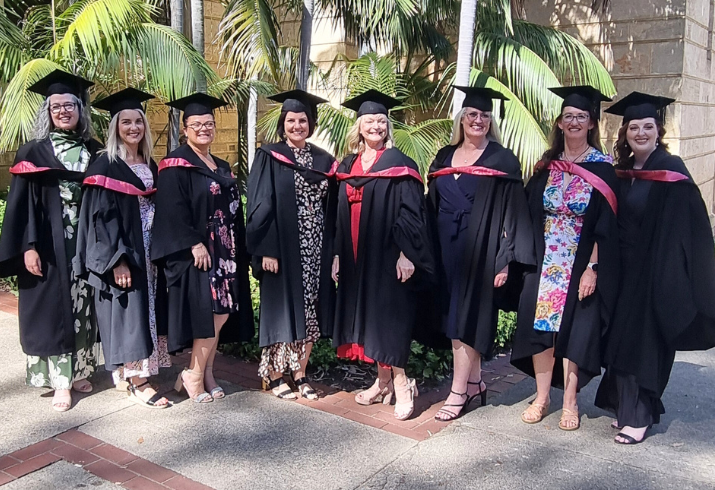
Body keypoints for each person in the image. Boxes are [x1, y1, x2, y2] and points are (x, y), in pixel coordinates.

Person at [594, 92, 715, 444]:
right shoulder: (625, 172)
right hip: (626, 269)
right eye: (634, 127)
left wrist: (672, 270)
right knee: (622, 339)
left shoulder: (672, 169)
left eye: (648, 126)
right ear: (625, 132)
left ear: (658, 130)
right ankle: (625, 407)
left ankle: (641, 416)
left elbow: (689, 225)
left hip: (656, 270)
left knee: (645, 342)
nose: (641, 132)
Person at [511, 86, 619, 431]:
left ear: (591, 124)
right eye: (568, 116)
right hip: (545, 263)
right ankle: (542, 397)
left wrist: (593, 268)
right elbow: (527, 209)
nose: (574, 122)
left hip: (580, 262)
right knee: (541, 329)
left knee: (576, 332)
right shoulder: (548, 165)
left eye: (581, 117)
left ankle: (570, 402)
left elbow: (608, 224)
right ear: (559, 123)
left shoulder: (603, 168)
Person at [426, 87, 536, 421]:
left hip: (481, 253)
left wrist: (504, 258)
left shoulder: (502, 160)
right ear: (462, 118)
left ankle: (457, 392)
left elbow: (513, 214)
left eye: (485, 115)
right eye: (473, 114)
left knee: (465, 320)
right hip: (445, 251)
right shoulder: (444, 156)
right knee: (454, 318)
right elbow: (431, 205)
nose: (479, 120)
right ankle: (474, 383)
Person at [0, 70, 102, 412]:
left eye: (69, 105)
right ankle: (60, 382)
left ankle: (79, 372)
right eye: (56, 106)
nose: (63, 111)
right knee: (54, 308)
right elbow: (22, 204)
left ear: (80, 110)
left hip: (87, 241)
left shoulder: (94, 149)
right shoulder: (34, 151)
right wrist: (27, 246)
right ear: (47, 112)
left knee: (84, 304)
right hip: (49, 242)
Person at [331, 90, 434, 421]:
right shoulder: (348, 165)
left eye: (381, 121)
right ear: (359, 127)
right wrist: (336, 255)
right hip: (354, 252)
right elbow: (336, 212)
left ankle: (403, 384)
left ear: (388, 126)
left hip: (388, 253)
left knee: (388, 319)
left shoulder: (400, 164)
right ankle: (383, 382)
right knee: (369, 318)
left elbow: (412, 212)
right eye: (369, 121)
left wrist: (407, 253)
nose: (375, 126)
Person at [151, 93, 253, 403]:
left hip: (226, 250)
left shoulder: (221, 165)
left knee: (221, 312)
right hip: (200, 252)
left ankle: (206, 373)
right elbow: (170, 208)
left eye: (209, 124)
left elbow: (234, 208)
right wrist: (192, 242)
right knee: (211, 313)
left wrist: (241, 247)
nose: (204, 129)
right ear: (185, 129)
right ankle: (194, 374)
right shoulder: (175, 164)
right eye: (197, 125)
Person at [74, 88, 171, 409]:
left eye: (138, 122)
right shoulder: (105, 164)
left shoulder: (149, 162)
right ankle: (137, 380)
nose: (133, 128)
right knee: (128, 311)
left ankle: (132, 372)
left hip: (150, 251)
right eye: (126, 122)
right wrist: (117, 261)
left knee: (148, 310)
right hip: (126, 253)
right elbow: (101, 220)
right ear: (115, 126)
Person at [246, 90, 338, 400]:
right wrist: (265, 248)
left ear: (311, 124)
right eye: (291, 120)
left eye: (303, 120)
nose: (297, 125)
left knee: (310, 308)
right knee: (281, 310)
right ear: (282, 124)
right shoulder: (269, 156)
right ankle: (274, 375)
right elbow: (259, 204)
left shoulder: (325, 160)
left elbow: (334, 206)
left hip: (316, 246)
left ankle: (300, 373)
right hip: (282, 247)